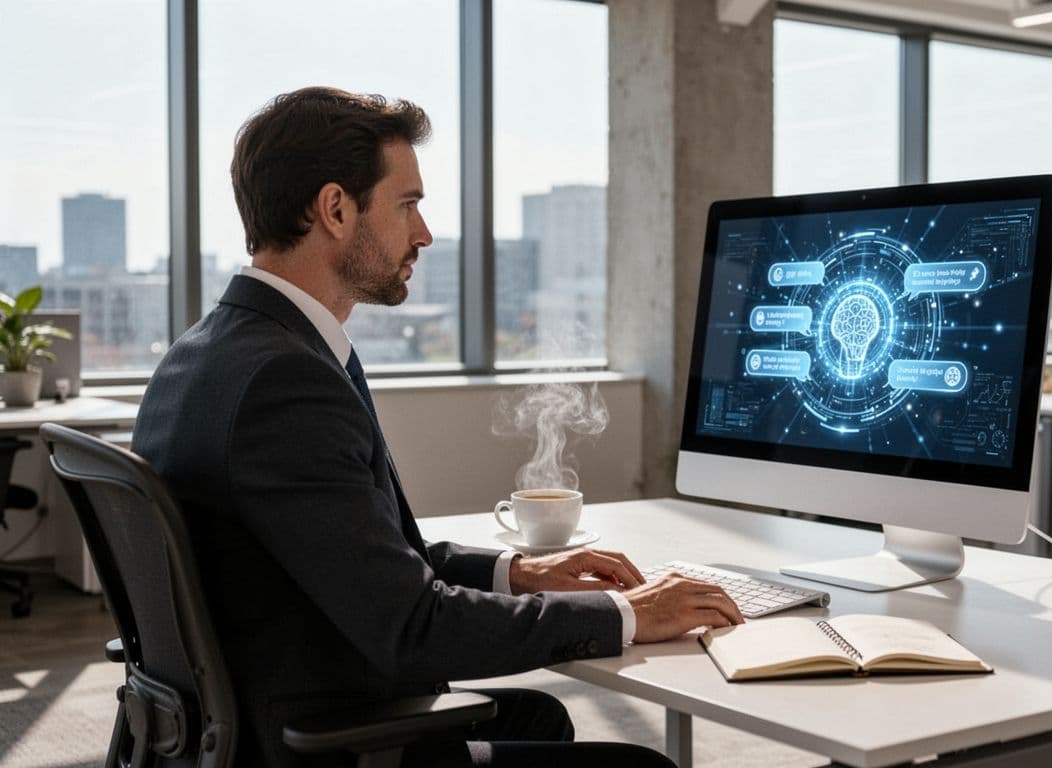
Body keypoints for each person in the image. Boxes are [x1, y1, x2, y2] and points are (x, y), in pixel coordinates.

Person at [131, 86, 742, 768]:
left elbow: (358, 555)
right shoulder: (285, 382)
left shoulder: (208, 354)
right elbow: (413, 627)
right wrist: (628, 615)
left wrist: (522, 572)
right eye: (409, 204)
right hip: (314, 739)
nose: (423, 233)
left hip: (266, 703)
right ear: (335, 209)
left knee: (538, 717)